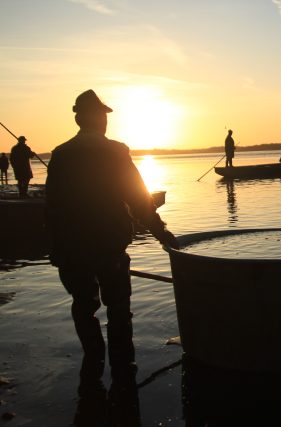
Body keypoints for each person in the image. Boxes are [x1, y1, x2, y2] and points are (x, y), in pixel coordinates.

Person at [45, 89, 180, 394]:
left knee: (84, 306)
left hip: (73, 249)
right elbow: (139, 199)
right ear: (94, 119)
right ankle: (123, 370)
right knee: (118, 308)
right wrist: (162, 234)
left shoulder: (61, 153)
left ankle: (93, 364)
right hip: (109, 245)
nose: (105, 121)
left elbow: (52, 207)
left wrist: (55, 247)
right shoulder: (116, 152)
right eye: (103, 116)